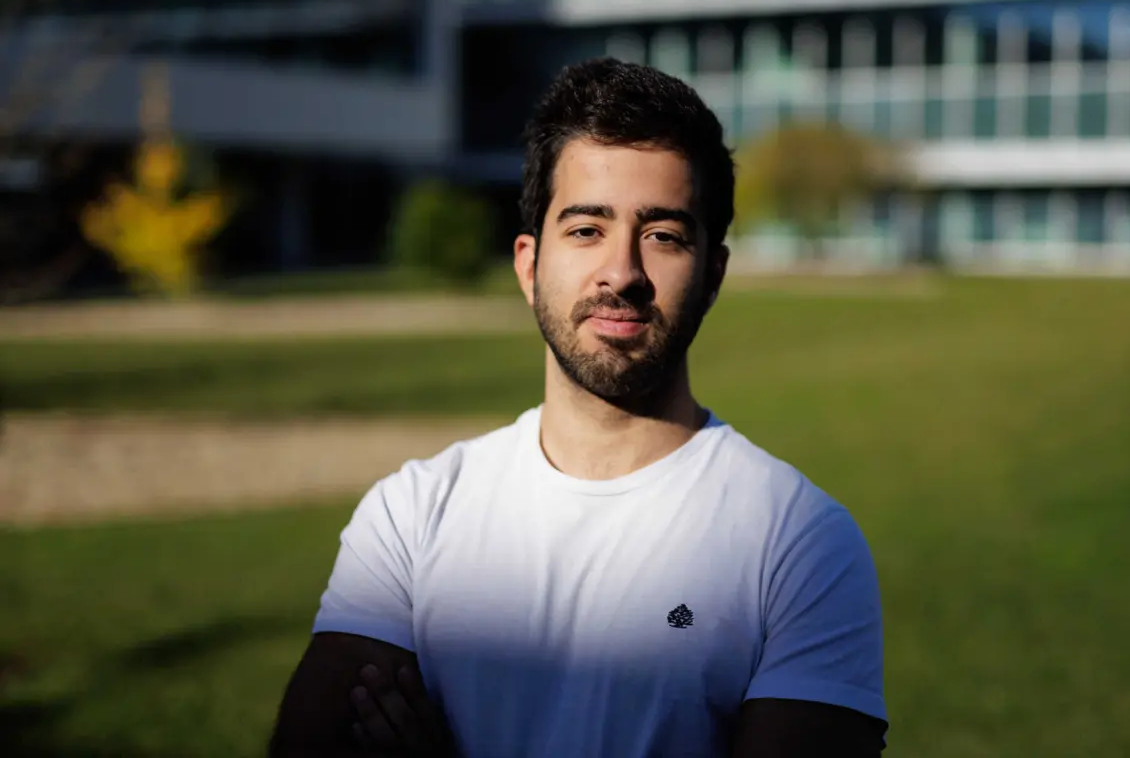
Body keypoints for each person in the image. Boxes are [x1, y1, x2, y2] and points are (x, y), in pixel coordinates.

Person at [269, 57, 888, 758]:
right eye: (587, 229)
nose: (621, 273)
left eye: (662, 235)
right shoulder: (412, 513)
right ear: (529, 266)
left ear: (713, 272)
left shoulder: (801, 545)